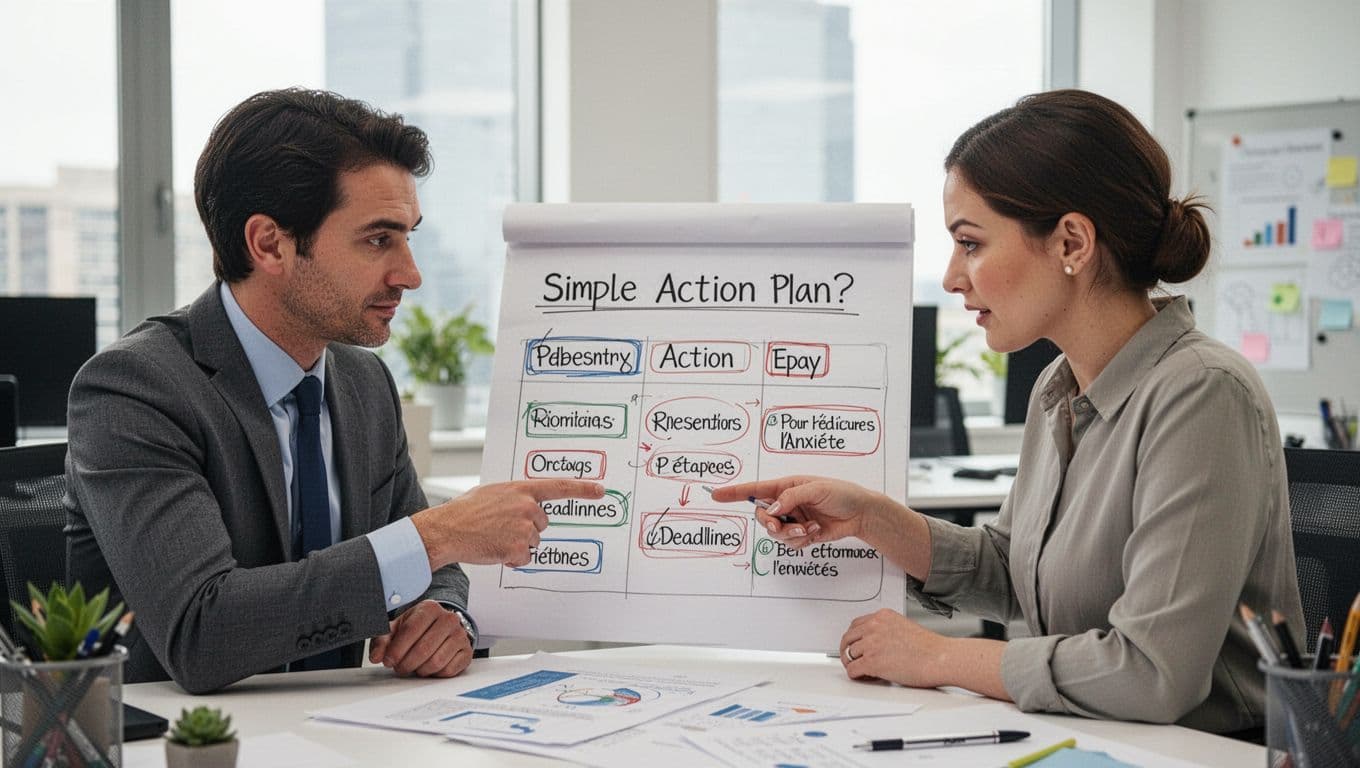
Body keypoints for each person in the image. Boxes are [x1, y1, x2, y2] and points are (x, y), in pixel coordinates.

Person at [714, 89, 1302, 735]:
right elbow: (1014, 571)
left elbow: (1150, 673)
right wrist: (871, 517)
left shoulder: (1202, 394)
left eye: (971, 243)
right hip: (1090, 737)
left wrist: (939, 655)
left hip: (1206, 751)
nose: (950, 276)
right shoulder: (1059, 385)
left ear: (1071, 242)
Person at [65, 88, 604, 694]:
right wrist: (440, 533)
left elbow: (434, 567)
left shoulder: (362, 382)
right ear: (269, 243)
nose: (410, 274)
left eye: (409, 236)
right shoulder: (134, 390)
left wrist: (445, 615)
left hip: (338, 730)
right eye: (378, 240)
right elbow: (202, 632)